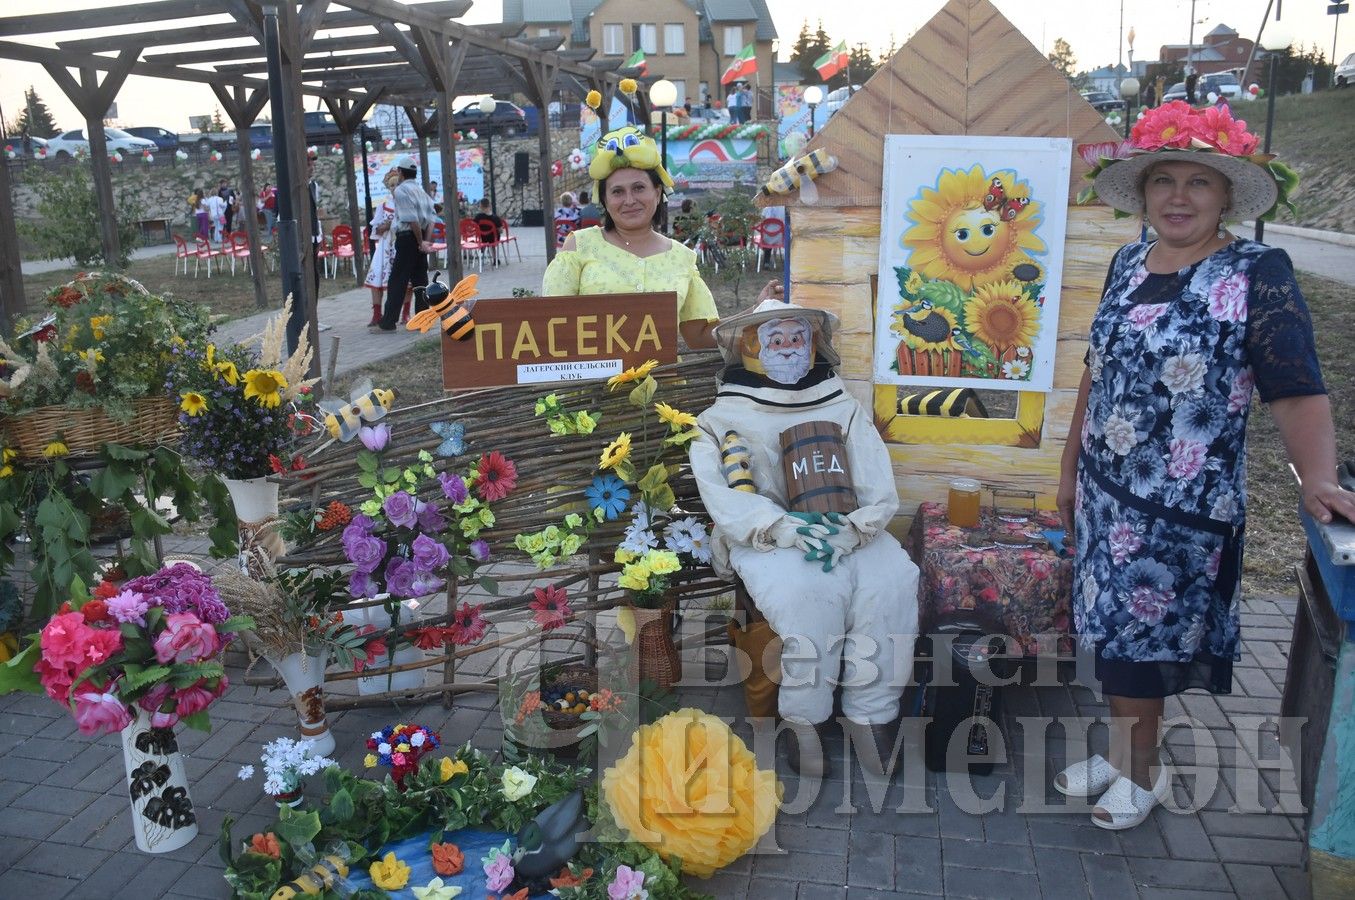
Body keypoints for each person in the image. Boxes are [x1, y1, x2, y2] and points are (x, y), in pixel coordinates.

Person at [1062, 102, 1355, 830]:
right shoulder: (1127, 260)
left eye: (1199, 182)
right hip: (1104, 492)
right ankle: (1119, 750)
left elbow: (1294, 388)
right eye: (1163, 180)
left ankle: (1142, 773)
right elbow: (1096, 374)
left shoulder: (1258, 272)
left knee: (1138, 644)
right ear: (1144, 193)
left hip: (1178, 504)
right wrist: (1067, 468)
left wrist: (1317, 476)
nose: (1178, 197)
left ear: (1226, 196)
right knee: (1104, 629)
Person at [689, 299, 920, 777]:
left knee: (891, 584)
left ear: (814, 344)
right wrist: (786, 528)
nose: (790, 347)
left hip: (846, 528)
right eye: (777, 339)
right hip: (769, 537)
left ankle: (873, 717)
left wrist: (856, 527)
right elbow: (723, 495)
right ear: (753, 347)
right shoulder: (720, 417)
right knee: (809, 598)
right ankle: (805, 724)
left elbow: (876, 477)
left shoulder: (843, 406)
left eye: (798, 337)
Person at [540, 124, 780, 349]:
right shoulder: (579, 246)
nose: (630, 200)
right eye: (617, 192)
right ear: (604, 200)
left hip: (664, 389)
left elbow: (699, 335)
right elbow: (547, 323)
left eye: (639, 188)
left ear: (657, 192)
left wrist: (756, 310)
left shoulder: (682, 257)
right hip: (592, 391)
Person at [376, 155, 437, 332]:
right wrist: (425, 241)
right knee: (420, 280)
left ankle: (388, 322)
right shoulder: (423, 193)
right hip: (420, 239)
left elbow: (412, 220)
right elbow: (432, 219)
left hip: (407, 238)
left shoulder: (401, 191)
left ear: (401, 172)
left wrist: (419, 241)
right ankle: (422, 320)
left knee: (398, 280)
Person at [363, 169, 410, 326]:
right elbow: (375, 229)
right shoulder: (383, 206)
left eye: (397, 184)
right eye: (391, 185)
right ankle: (377, 314)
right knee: (377, 278)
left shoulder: (406, 203)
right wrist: (381, 228)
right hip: (385, 247)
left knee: (406, 281)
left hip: (401, 244)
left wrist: (390, 224)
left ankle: (406, 313)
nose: (394, 187)